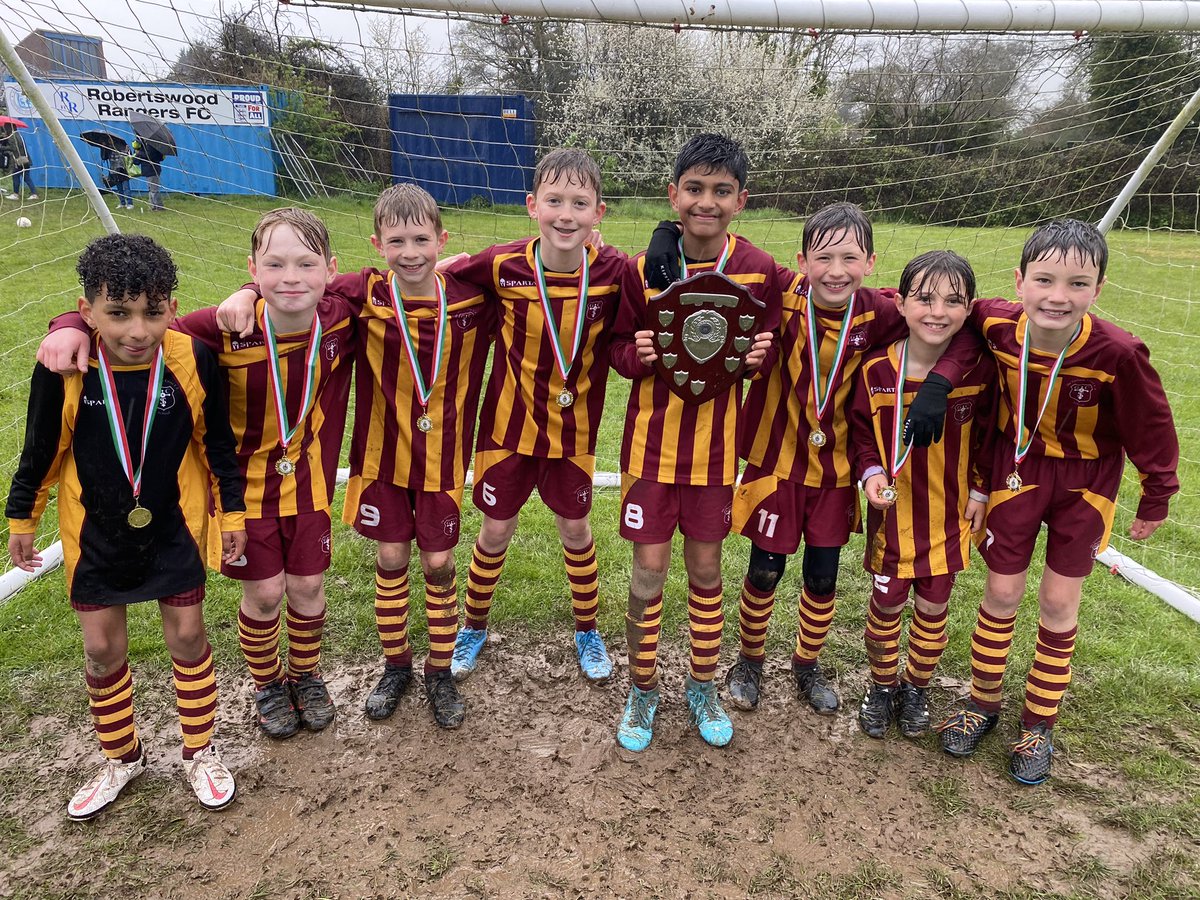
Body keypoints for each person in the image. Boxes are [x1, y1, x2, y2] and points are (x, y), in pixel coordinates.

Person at [37, 208, 358, 741]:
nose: (291, 276)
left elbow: (399, 278)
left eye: (306, 263)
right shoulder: (221, 324)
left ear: (329, 269)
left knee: (307, 587)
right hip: (242, 492)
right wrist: (69, 324)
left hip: (310, 486)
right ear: (253, 268)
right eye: (274, 265)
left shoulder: (343, 312)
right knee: (265, 595)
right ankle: (268, 684)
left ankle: (306, 675)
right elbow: (138, 328)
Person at [217, 184, 492, 728]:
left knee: (438, 564)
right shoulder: (362, 292)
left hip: (442, 462)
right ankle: (396, 666)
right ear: (376, 244)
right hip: (382, 462)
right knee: (390, 561)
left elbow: (533, 266)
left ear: (442, 239)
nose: (410, 252)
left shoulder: (471, 291)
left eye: (421, 239)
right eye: (396, 241)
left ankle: (439, 671)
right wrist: (248, 292)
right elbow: (293, 283)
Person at [7, 233, 245, 819]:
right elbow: (40, 450)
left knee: (189, 637)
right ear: (87, 312)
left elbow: (217, 446)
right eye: (118, 313)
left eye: (153, 311)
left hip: (174, 526)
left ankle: (200, 751)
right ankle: (123, 755)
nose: (137, 330)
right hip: (96, 534)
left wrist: (232, 512)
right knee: (101, 649)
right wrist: (21, 519)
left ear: (170, 306)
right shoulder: (67, 365)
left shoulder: (192, 359)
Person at [937, 219, 1179, 784]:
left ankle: (1038, 724)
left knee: (1056, 603)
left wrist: (1157, 495)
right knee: (1000, 591)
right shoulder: (996, 323)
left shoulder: (1118, 352)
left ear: (1098, 289)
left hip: (1086, 483)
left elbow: (1153, 426)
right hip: (1015, 469)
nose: (1057, 296)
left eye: (1076, 283)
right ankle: (983, 702)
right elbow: (949, 309)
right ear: (1019, 280)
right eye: (1044, 280)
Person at [723, 202, 981, 716]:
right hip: (775, 462)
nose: (835, 271)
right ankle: (749, 659)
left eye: (849, 257)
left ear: (871, 261)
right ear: (801, 261)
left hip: (841, 471)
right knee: (765, 570)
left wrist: (940, 381)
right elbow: (722, 259)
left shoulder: (884, 312)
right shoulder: (780, 296)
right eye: (822, 258)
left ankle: (805, 664)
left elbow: (963, 330)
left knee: (823, 575)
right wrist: (667, 232)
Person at [608, 133, 778, 752]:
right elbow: (618, 350)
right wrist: (639, 354)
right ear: (674, 194)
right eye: (695, 189)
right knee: (648, 572)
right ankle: (643, 687)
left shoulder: (762, 270)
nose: (707, 202)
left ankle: (702, 685)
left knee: (706, 571)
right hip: (650, 453)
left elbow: (781, 333)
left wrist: (764, 353)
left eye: (721, 191)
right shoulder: (641, 269)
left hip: (715, 455)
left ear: (741, 200)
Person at [443, 148, 629, 684]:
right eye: (553, 201)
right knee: (495, 530)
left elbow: (663, 277)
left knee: (576, 529)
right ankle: (473, 625)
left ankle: (587, 630)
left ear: (599, 213)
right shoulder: (503, 264)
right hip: (507, 431)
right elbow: (430, 269)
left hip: (573, 436)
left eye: (579, 203)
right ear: (532, 206)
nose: (565, 214)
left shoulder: (614, 271)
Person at [848, 250, 996, 739]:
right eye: (925, 298)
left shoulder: (980, 373)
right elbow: (861, 435)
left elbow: (989, 435)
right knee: (887, 603)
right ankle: (883, 684)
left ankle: (916, 685)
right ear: (902, 304)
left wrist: (979, 489)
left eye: (953, 301)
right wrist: (870, 474)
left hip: (950, 515)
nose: (938, 311)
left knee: (934, 607)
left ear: (969, 308)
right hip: (895, 515)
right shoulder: (874, 371)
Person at [3, 124, 37, 201]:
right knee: (27, 178)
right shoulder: (19, 134)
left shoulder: (12, 136)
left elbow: (13, 148)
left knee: (15, 177)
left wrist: (2, 147)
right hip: (25, 159)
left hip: (18, 161)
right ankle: (34, 194)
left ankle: (16, 194)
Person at [131, 138, 165, 211]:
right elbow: (136, 162)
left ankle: (158, 206)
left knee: (154, 189)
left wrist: (139, 153)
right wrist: (136, 151)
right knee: (151, 189)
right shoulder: (142, 147)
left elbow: (150, 155)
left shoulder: (151, 146)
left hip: (153, 169)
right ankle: (153, 206)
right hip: (148, 171)